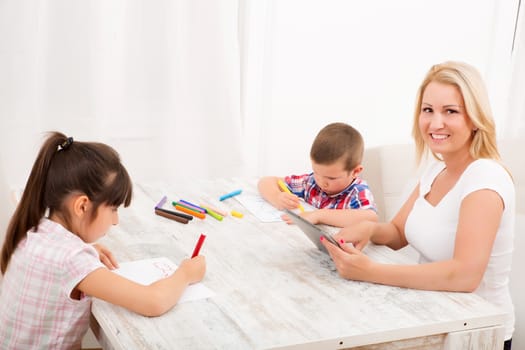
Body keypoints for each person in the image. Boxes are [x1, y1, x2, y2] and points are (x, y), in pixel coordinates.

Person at [321, 61, 515, 349]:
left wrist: (369, 271)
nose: (435, 123)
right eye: (428, 110)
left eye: (450, 111)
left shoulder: (484, 177)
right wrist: (368, 230)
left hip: (476, 333)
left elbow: (464, 275)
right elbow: (399, 232)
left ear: (475, 118)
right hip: (435, 315)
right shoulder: (437, 169)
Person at [0, 132, 206, 349]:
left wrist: (84, 251)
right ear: (82, 206)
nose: (116, 221)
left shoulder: (34, 231)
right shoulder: (73, 260)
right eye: (114, 209)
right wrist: (185, 273)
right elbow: (152, 301)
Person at [258, 122, 377, 227]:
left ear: (355, 172)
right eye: (316, 172)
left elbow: (371, 218)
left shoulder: (358, 192)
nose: (321, 182)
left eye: (331, 178)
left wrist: (318, 216)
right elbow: (266, 181)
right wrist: (276, 197)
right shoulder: (311, 182)